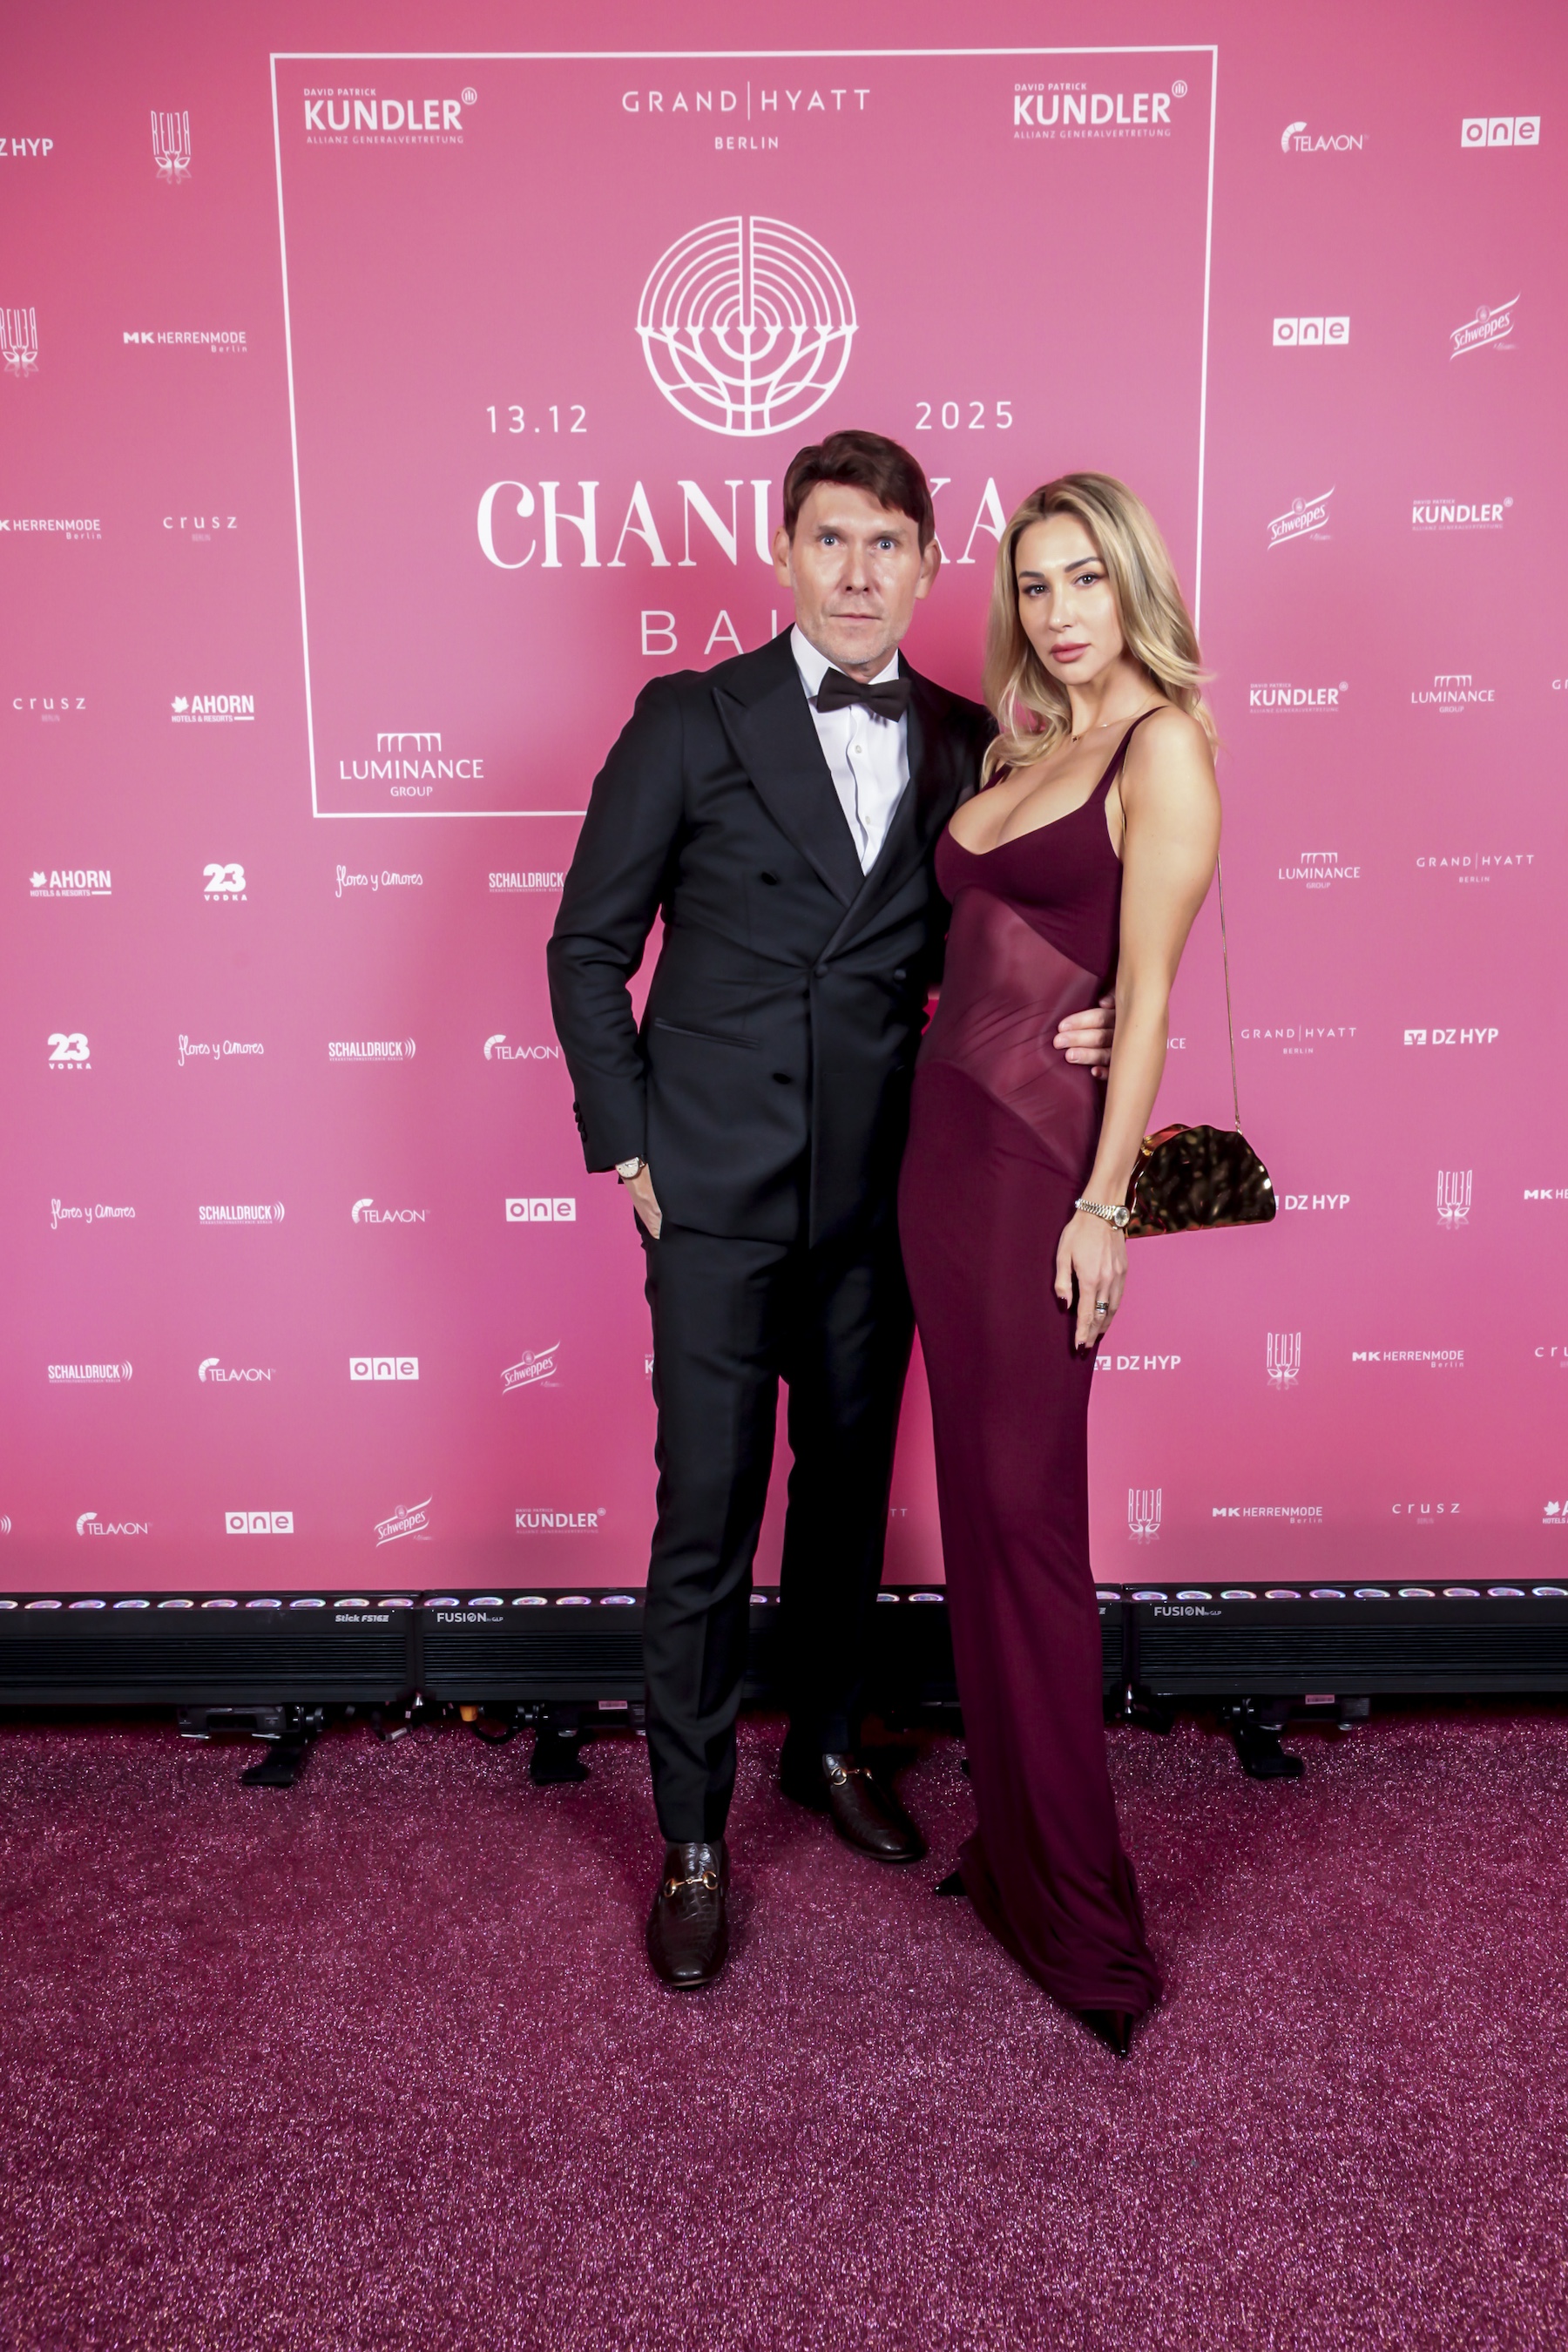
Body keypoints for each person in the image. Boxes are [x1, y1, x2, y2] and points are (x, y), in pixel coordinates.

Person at [548, 432, 1116, 1990]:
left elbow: (1027, 913)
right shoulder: (689, 719)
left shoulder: (968, 741)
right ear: (784, 551)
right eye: (833, 541)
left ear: (928, 565)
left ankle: (831, 1746)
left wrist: (1094, 1016)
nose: (860, 574)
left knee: (851, 1497)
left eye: (889, 545)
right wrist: (629, 1145)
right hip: (713, 1199)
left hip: (888, 1193)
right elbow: (586, 947)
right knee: (706, 1517)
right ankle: (693, 1837)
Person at [897, 473, 1221, 2058]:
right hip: (936, 1170)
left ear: (1133, 583)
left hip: (1040, 1180)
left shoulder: (1163, 747)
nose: (1060, 609)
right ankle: (1013, 1856)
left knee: (1030, 1532)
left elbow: (1144, 999)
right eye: (1035, 584)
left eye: (1087, 578)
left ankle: (1085, 1924)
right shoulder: (1021, 750)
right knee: (981, 1520)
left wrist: (1107, 1206)